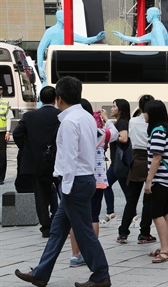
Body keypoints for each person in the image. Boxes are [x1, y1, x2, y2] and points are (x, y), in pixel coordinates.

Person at [15, 76, 111, 287]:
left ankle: (101, 274)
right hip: (84, 178)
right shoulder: (85, 117)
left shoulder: (68, 122)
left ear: (59, 98)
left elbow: (67, 158)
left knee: (83, 231)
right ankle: (41, 273)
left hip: (73, 181)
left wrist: (62, 185)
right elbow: (100, 138)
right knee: (58, 231)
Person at [68, 99, 118, 268]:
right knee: (93, 216)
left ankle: (75, 255)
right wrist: (106, 119)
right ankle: (89, 254)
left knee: (75, 219)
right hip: (97, 179)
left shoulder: (73, 129)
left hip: (77, 178)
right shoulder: (99, 132)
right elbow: (115, 133)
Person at [12, 86, 60, 238]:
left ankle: (45, 227)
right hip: (57, 160)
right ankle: (61, 222)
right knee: (63, 192)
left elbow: (17, 133)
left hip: (36, 161)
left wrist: (27, 149)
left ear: (39, 99)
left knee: (40, 195)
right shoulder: (61, 115)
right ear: (55, 99)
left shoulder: (30, 116)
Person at [117, 94, 157, 244]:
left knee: (131, 199)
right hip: (151, 159)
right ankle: (144, 232)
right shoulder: (155, 124)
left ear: (139, 107)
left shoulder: (132, 121)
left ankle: (123, 232)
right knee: (148, 199)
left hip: (136, 159)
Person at [143, 100, 168, 263]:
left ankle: (165, 250)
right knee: (166, 213)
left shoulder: (157, 133)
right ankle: (166, 247)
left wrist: (148, 181)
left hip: (160, 180)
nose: (144, 114)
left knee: (156, 214)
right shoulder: (167, 130)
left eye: (146, 112)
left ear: (153, 114)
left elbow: (156, 158)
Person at [36, 10, 106, 82]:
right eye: (65, 16)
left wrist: (97, 38)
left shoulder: (68, 32)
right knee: (48, 84)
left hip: (64, 63)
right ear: (59, 17)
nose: (68, 18)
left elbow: (85, 40)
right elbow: (41, 49)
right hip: (53, 63)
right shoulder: (50, 32)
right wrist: (40, 66)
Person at [100, 99, 131, 228]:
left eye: (114, 106)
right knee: (105, 185)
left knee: (127, 192)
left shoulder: (122, 123)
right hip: (115, 163)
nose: (111, 109)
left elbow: (124, 138)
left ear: (120, 109)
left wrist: (111, 136)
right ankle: (111, 213)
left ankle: (133, 216)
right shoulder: (117, 123)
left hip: (120, 163)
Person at [0, 85, 13, 185]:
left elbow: (9, 118)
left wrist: (8, 131)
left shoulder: (5, 103)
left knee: (2, 156)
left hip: (2, 133)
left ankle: (1, 178)